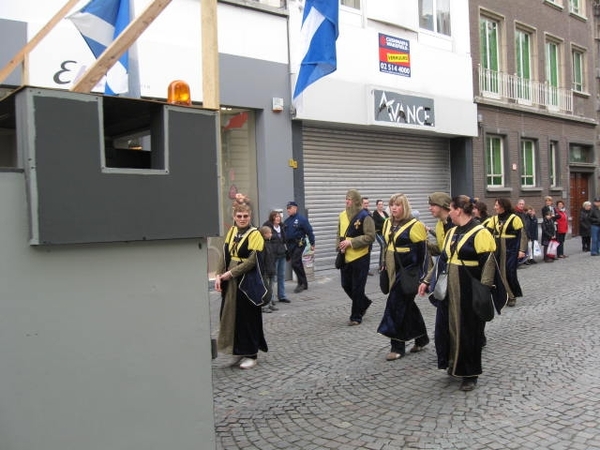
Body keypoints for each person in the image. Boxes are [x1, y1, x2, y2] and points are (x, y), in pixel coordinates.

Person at [418, 195, 497, 392]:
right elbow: (442, 260)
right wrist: (427, 280)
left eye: (451, 209)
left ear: (458, 210)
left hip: (469, 288)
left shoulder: (481, 233)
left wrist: (483, 293)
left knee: (469, 330)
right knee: (448, 327)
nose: (449, 213)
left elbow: (488, 265)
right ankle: (453, 363)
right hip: (450, 290)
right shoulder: (452, 232)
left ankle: (470, 374)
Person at [214, 202, 268, 369]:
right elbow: (224, 254)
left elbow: (253, 261)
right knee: (232, 317)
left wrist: (231, 273)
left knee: (248, 317)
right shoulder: (232, 232)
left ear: (250, 217)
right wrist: (218, 275)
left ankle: (251, 354)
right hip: (231, 282)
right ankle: (239, 351)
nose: (242, 219)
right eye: (239, 216)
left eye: (245, 216)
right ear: (234, 217)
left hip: (247, 282)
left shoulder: (255, 234)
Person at [377, 193, 429, 360]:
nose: (393, 207)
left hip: (409, 271)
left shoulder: (415, 226)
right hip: (392, 269)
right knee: (407, 306)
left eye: (397, 205)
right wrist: (384, 263)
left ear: (404, 207)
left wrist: (423, 277)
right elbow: (386, 245)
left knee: (395, 305)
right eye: (392, 204)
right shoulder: (387, 224)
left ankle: (397, 346)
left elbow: (423, 254)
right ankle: (422, 338)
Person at [337, 189, 376, 326]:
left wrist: (352, 242)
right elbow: (339, 233)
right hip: (345, 256)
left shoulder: (365, 216)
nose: (347, 201)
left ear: (356, 201)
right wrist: (339, 246)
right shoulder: (342, 215)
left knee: (357, 288)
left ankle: (356, 316)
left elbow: (371, 237)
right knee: (346, 285)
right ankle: (364, 303)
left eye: (349, 199)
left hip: (361, 256)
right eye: (346, 198)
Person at [485, 198, 527, 307]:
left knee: (509, 273)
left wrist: (522, 250)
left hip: (511, 250)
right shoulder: (493, 219)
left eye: (496, 205)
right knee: (498, 273)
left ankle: (512, 295)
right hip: (498, 250)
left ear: (503, 206)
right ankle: (504, 296)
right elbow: (486, 233)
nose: (494, 208)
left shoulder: (514, 218)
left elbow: (522, 235)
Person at [284, 201, 315, 294]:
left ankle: (300, 283)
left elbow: (309, 231)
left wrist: (313, 244)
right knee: (297, 263)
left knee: (295, 263)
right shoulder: (287, 221)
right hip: (290, 245)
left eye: (290, 208)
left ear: (295, 208)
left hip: (299, 244)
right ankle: (304, 283)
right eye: (287, 208)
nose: (288, 210)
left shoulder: (302, 219)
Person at [263, 210, 290, 303]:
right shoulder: (267, 227)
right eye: (276, 216)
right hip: (272, 256)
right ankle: (271, 298)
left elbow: (284, 241)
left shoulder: (282, 227)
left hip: (282, 254)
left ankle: (282, 296)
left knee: (281, 276)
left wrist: (287, 253)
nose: (278, 218)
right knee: (272, 277)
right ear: (272, 218)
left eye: (279, 216)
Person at [259, 226, 279, 313]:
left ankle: (270, 303)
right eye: (269, 233)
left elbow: (272, 257)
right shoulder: (262, 244)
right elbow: (262, 259)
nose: (271, 234)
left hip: (271, 269)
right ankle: (264, 305)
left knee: (271, 288)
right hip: (266, 271)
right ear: (264, 234)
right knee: (266, 289)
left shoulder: (269, 243)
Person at [427, 192, 453, 256]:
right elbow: (441, 250)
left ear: (443, 205)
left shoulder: (457, 223)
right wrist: (424, 242)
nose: (429, 208)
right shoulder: (439, 225)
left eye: (433, 205)